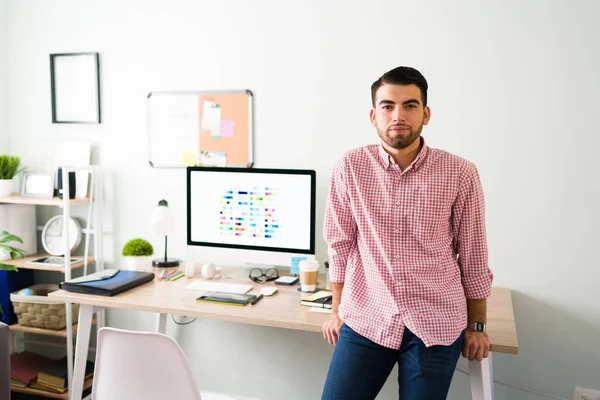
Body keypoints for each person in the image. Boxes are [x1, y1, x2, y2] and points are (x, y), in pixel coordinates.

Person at [321, 66, 494, 400]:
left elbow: (473, 255)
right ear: (374, 115)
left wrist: (477, 326)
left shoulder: (460, 172)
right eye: (387, 106)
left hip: (436, 320)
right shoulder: (350, 167)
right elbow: (340, 244)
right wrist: (336, 311)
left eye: (410, 105)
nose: (398, 115)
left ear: (425, 114)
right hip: (367, 314)